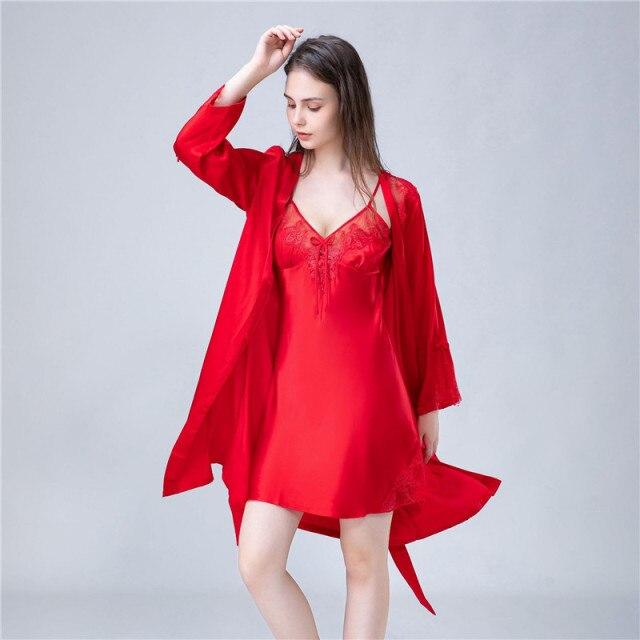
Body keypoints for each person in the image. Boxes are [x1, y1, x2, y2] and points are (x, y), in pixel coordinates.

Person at [164, 25, 502, 639]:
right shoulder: (269, 181)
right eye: (289, 103)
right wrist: (256, 69)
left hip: (371, 404)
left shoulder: (397, 198)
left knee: (364, 562)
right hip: (288, 404)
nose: (298, 118)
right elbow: (193, 146)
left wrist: (428, 406)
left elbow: (422, 309)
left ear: (348, 102)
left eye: (313, 105)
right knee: (258, 561)